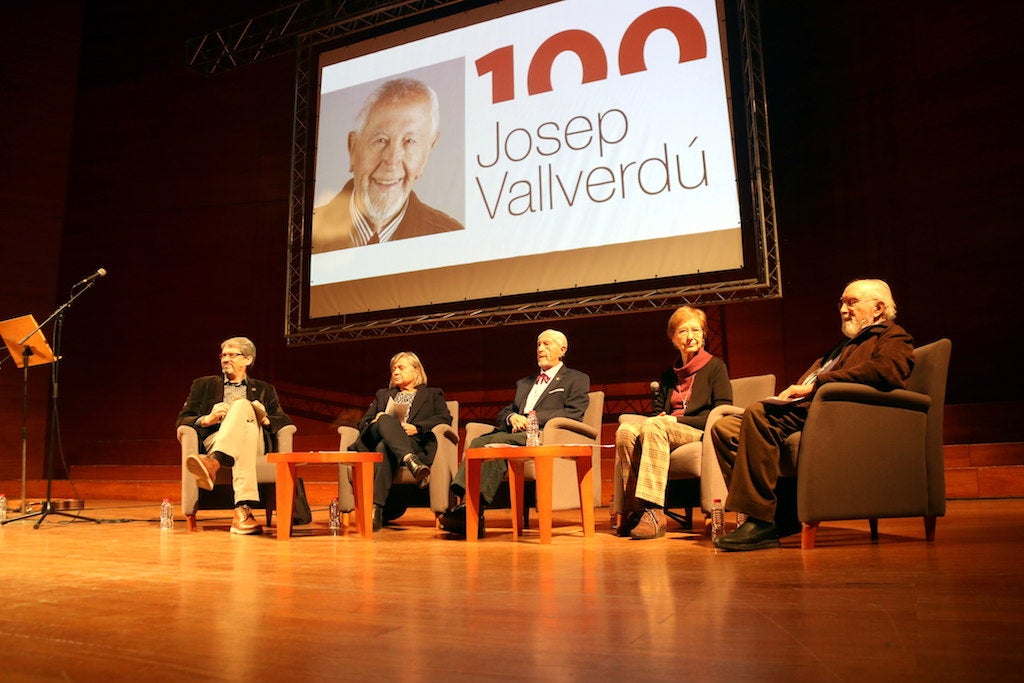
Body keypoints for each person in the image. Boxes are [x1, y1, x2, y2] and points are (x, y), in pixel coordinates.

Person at [711, 278, 915, 551]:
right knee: (724, 428)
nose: (843, 309)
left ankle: (760, 522)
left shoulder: (891, 336)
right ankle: (776, 515)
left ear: (878, 308)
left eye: (852, 302)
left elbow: (888, 370)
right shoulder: (843, 345)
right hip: (806, 410)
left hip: (836, 413)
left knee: (758, 414)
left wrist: (818, 384)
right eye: (842, 303)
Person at [439, 329, 590, 537]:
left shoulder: (576, 379)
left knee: (496, 442)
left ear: (563, 349)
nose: (540, 349)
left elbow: (574, 412)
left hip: (544, 435)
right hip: (516, 434)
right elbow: (506, 411)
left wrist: (532, 418)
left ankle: (470, 508)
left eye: (547, 344)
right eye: (538, 345)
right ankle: (472, 511)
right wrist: (512, 418)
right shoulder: (525, 383)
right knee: (481, 440)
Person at [615, 306, 732, 540]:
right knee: (626, 431)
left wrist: (672, 420)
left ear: (704, 335)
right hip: (666, 432)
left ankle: (654, 512)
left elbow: (721, 412)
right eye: (683, 331)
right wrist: (662, 417)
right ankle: (635, 510)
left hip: (700, 431)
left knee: (655, 426)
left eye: (696, 330)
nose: (690, 336)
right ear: (673, 338)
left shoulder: (715, 367)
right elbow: (660, 413)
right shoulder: (669, 375)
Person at [311, 78, 463, 252]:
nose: (391, 162)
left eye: (410, 141)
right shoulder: (304, 235)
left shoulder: (451, 240)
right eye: (380, 140)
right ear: (353, 149)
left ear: (428, 151)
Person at [177, 337, 293, 535]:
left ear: (248, 360)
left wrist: (264, 419)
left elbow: (284, 421)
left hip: (257, 440)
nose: (225, 359)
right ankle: (243, 510)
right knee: (244, 432)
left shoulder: (265, 389)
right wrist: (208, 418)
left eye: (232, 355)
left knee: (242, 405)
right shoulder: (203, 385)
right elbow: (183, 420)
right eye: (223, 355)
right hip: (216, 438)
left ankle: (213, 463)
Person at [354, 351, 452, 531]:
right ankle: (410, 460)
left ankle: (376, 510)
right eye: (393, 369)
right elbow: (363, 422)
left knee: (385, 447)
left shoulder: (432, 394)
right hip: (374, 437)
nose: (395, 372)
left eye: (401, 368)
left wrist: (418, 428)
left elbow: (445, 419)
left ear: (416, 371)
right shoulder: (383, 394)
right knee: (384, 419)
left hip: (408, 440)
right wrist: (377, 421)